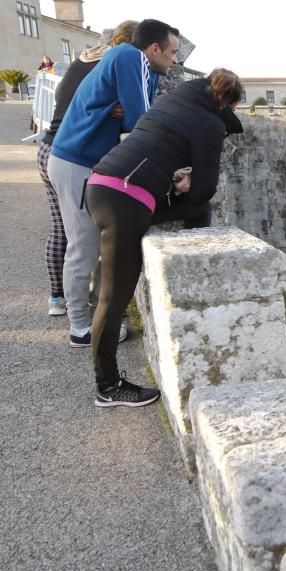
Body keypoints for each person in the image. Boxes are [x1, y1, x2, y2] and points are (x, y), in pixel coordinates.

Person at [85, 68, 244, 407]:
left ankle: (101, 284)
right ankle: (108, 387)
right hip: (124, 200)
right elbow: (204, 190)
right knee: (114, 301)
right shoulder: (210, 122)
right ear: (228, 103)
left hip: (102, 184)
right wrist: (189, 180)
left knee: (113, 275)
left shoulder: (174, 100)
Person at [48, 18, 179, 347]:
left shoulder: (142, 69)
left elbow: (139, 117)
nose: (176, 60)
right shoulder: (129, 57)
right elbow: (141, 122)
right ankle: (80, 329)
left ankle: (93, 318)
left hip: (85, 162)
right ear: (153, 49)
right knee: (84, 247)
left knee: (92, 245)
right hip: (76, 161)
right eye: (173, 52)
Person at [37, 21, 137, 316]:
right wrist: (110, 109)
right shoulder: (114, 64)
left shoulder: (88, 56)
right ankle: (81, 314)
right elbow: (128, 113)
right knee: (83, 239)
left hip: (48, 149)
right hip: (72, 153)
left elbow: (66, 98)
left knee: (62, 229)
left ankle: (58, 298)